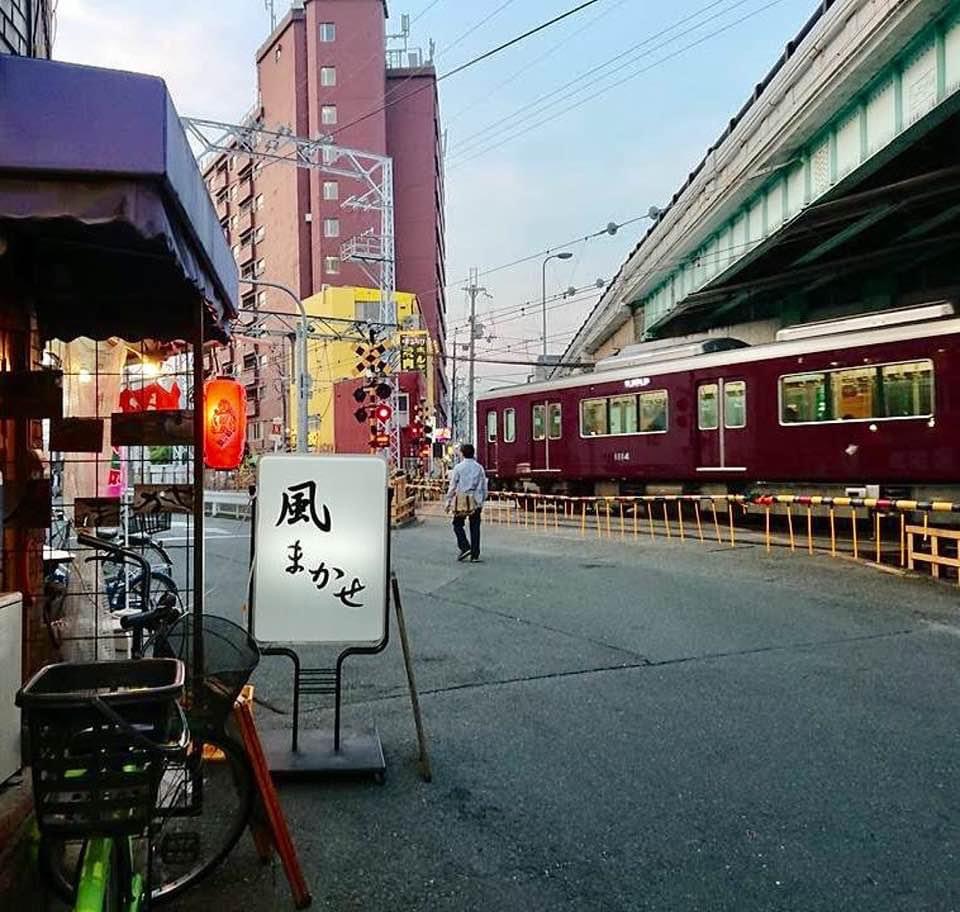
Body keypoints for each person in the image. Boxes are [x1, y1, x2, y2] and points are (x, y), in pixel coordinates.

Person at [444, 443, 487, 562]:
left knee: (457, 524)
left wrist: (448, 501)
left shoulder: (458, 468)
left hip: (462, 500)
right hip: (475, 499)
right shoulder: (479, 467)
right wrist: (482, 500)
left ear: (462, 454)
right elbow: (483, 485)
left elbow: (452, 486)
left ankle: (464, 546)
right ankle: (475, 555)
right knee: (475, 526)